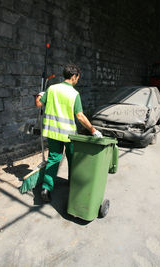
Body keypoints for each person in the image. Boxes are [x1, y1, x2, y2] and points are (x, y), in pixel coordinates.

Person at [35, 63, 102, 203]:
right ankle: (74, 186)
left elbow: (39, 104)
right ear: (73, 76)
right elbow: (80, 116)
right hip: (69, 135)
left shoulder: (51, 88)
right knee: (74, 160)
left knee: (53, 159)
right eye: (78, 77)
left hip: (52, 133)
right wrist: (93, 130)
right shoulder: (74, 94)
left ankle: (46, 188)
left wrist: (40, 94)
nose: (78, 80)